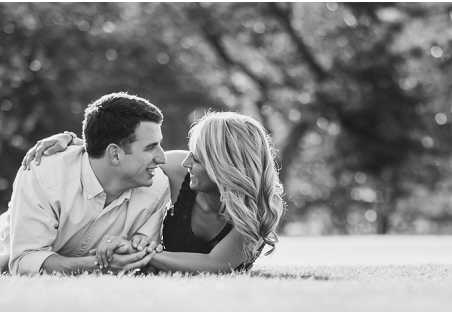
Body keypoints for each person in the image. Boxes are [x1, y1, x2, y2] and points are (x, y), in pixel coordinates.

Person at [0, 92, 169, 275]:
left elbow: (142, 249)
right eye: (150, 148)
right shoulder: (44, 171)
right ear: (115, 154)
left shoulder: (158, 187)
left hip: (43, 233)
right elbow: (25, 260)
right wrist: (99, 265)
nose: (162, 158)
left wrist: (132, 250)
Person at [23, 110, 284, 274]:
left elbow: (215, 264)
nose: (186, 162)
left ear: (225, 166)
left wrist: (138, 254)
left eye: (198, 158)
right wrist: (70, 140)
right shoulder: (180, 172)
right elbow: (123, 154)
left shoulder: (258, 209)